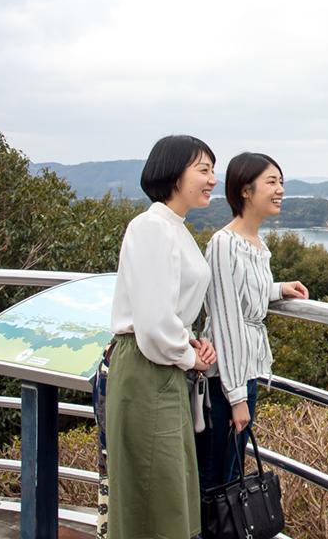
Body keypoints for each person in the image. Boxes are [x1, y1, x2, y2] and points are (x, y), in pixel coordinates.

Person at [105, 135, 219, 539]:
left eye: (212, 170)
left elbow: (165, 312)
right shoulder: (152, 227)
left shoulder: (173, 227)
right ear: (173, 172)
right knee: (155, 491)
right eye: (202, 170)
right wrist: (190, 356)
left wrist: (188, 342)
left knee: (164, 489)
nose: (211, 179)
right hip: (146, 369)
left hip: (160, 366)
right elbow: (152, 322)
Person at [197, 151, 309, 490]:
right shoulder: (224, 244)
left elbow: (246, 295)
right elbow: (226, 320)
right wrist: (237, 398)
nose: (280, 190)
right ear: (245, 190)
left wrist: (278, 289)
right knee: (216, 480)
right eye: (271, 182)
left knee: (230, 475)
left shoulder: (255, 244)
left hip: (245, 373)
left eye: (281, 182)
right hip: (224, 381)